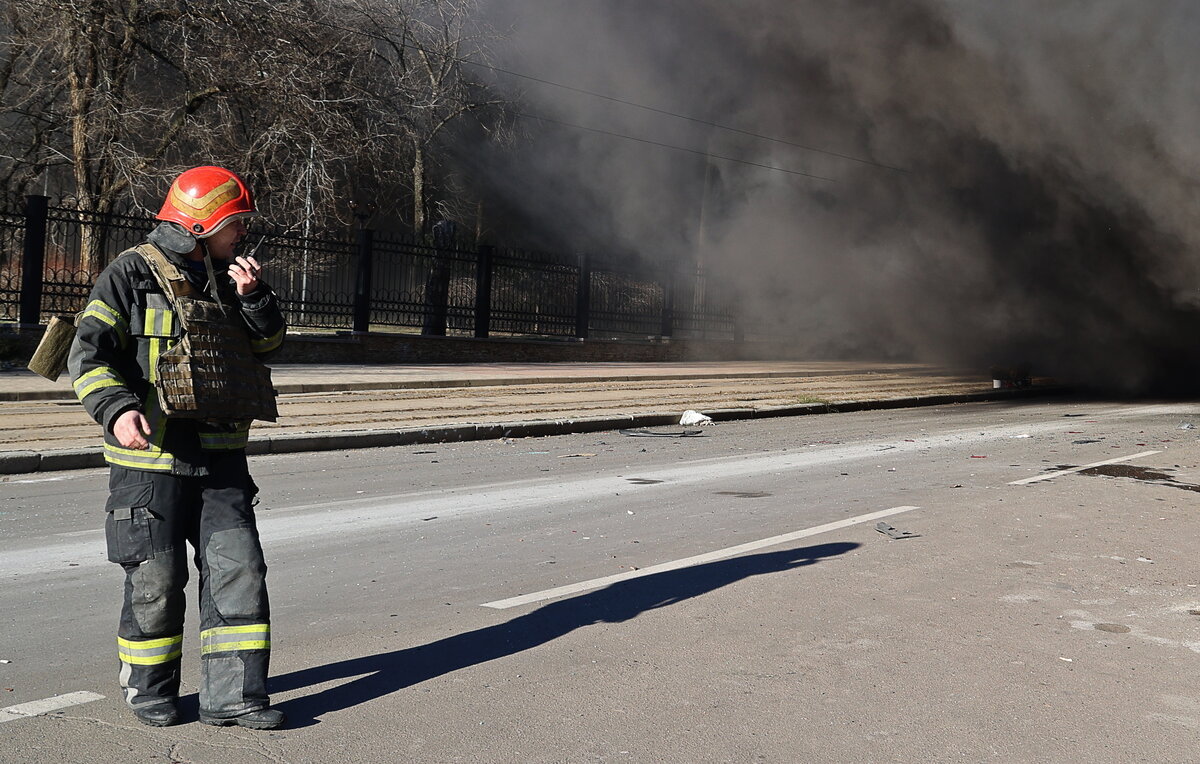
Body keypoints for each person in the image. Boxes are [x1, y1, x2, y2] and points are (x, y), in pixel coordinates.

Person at [68, 166, 287, 729]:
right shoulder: (130, 274)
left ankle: (235, 697)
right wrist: (117, 412)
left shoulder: (230, 276)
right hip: (150, 461)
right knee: (155, 578)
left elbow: (267, 345)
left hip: (220, 458)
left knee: (238, 572)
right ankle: (150, 691)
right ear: (199, 222)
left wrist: (255, 298)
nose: (241, 232)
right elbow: (88, 355)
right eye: (233, 223)